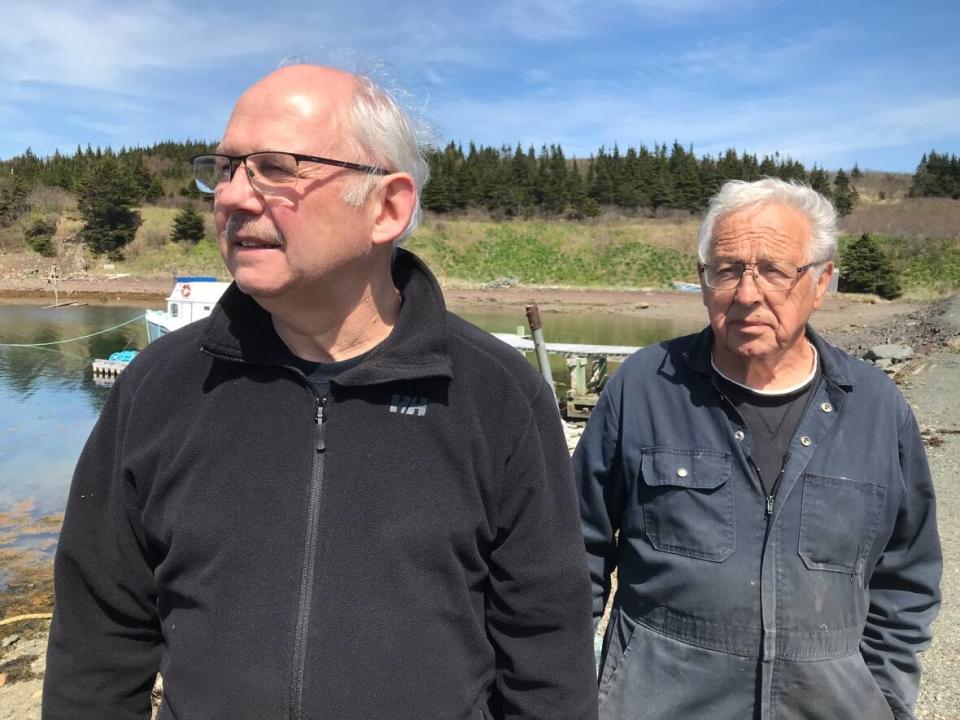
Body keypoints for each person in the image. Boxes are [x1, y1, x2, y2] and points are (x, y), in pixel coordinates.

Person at [43, 64, 598, 720]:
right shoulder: (157, 389)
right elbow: (98, 643)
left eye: (275, 168)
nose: (232, 197)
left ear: (387, 207)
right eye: (224, 168)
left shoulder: (498, 397)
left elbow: (545, 653)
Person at [576, 178, 941, 720]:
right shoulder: (644, 387)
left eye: (773, 270)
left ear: (821, 282)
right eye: (726, 269)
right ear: (704, 283)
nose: (747, 294)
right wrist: (575, 691)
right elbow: (573, 551)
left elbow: (905, 577)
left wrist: (884, 699)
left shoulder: (876, 407)